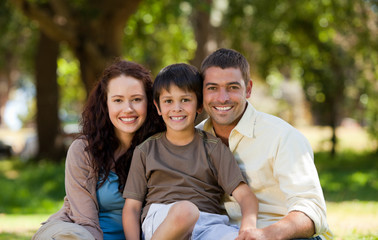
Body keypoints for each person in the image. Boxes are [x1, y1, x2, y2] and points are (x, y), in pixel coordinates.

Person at [197, 48, 333, 240]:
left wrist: (264, 235)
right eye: (212, 88)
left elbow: (311, 210)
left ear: (249, 89)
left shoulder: (282, 137)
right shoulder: (195, 138)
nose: (222, 98)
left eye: (233, 87)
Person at [122, 63, 259, 240]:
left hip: (208, 223)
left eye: (185, 100)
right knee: (186, 211)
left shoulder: (213, 147)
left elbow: (246, 196)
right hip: (163, 223)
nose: (177, 108)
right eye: (168, 101)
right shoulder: (146, 150)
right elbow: (131, 208)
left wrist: (248, 228)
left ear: (199, 106)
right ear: (158, 107)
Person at [32, 60, 165, 240]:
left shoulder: (160, 147)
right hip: (80, 232)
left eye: (136, 99)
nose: (128, 109)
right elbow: (86, 222)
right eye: (118, 100)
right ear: (105, 103)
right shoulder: (83, 150)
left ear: (150, 103)